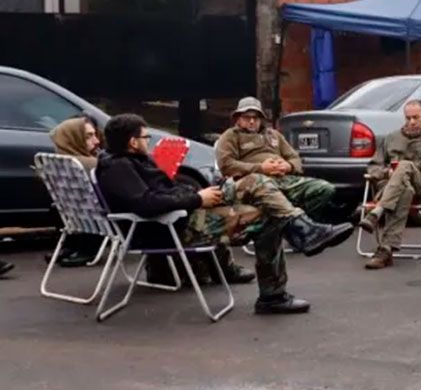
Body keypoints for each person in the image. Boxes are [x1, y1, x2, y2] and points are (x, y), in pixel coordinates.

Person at [95, 114, 318, 314]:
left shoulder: (133, 161)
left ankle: (302, 227)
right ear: (133, 142)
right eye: (146, 138)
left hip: (182, 216)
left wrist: (197, 194)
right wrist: (198, 199)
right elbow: (145, 203)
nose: (148, 142)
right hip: (174, 229)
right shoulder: (118, 168)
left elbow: (164, 191)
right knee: (267, 216)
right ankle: (273, 294)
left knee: (254, 181)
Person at [360, 100, 421, 270]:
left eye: (416, 117)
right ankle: (385, 250)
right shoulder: (391, 138)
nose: (411, 122)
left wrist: (418, 169)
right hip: (390, 188)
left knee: (404, 165)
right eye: (408, 118)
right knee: (405, 190)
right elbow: (373, 166)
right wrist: (386, 172)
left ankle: (377, 211)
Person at [215, 97, 337, 223]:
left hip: (282, 179)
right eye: (247, 117)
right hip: (252, 184)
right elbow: (226, 164)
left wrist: (288, 166)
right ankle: (301, 226)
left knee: (324, 188)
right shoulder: (231, 136)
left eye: (256, 118)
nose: (252, 121)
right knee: (262, 183)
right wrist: (261, 168)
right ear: (238, 118)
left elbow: (295, 157)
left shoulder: (274, 135)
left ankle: (304, 226)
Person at [45, 116, 105, 268]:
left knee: (61, 204)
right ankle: (84, 249)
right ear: (74, 138)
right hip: (100, 218)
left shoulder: (55, 161)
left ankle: (70, 246)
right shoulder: (93, 163)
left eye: (95, 134)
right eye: (89, 136)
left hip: (75, 216)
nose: (97, 141)